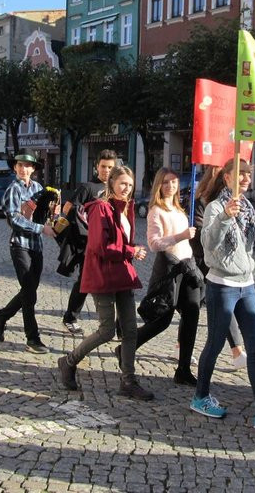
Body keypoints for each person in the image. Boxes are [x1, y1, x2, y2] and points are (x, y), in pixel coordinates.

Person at [190, 159, 255, 429]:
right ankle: (200, 396)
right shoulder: (215, 208)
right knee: (214, 344)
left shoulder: (247, 208)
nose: (246, 178)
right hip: (221, 285)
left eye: (249, 173)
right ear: (227, 177)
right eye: (241, 174)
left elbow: (250, 253)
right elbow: (208, 243)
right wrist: (225, 216)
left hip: (246, 287)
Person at [58, 165, 154, 400]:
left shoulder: (126, 208)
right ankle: (69, 361)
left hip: (122, 274)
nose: (126, 188)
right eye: (122, 183)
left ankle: (128, 381)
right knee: (107, 330)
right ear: (111, 183)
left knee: (130, 330)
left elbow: (121, 241)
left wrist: (131, 250)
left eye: (130, 185)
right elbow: (100, 246)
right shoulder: (100, 207)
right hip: (102, 274)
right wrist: (131, 251)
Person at [131, 167, 203, 386]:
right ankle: (127, 347)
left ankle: (183, 369)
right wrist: (180, 236)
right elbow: (154, 243)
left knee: (192, 315)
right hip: (169, 269)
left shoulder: (180, 210)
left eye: (174, 181)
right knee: (162, 320)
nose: (171, 186)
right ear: (159, 186)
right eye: (166, 182)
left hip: (187, 268)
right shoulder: (156, 211)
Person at [0, 150, 56, 354]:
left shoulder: (38, 188)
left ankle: (2, 316)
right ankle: (32, 338)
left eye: (27, 166)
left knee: (30, 290)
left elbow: (43, 215)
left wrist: (53, 213)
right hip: (20, 245)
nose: (23, 169)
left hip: (36, 246)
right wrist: (41, 228)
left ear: (33, 169)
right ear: (15, 167)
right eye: (19, 165)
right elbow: (14, 220)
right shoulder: (14, 189)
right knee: (29, 292)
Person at [192, 165, 248, 370]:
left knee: (223, 309)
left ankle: (238, 351)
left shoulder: (239, 204)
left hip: (227, 265)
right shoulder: (204, 203)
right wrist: (221, 221)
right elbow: (203, 236)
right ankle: (182, 347)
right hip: (202, 260)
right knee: (192, 306)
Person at [60, 149, 117, 334]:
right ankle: (70, 317)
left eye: (110, 167)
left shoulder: (116, 188)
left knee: (112, 281)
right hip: (90, 244)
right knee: (85, 280)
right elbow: (68, 208)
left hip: (110, 244)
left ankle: (115, 324)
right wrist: (85, 228)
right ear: (97, 166)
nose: (106, 170)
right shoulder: (88, 187)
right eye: (103, 166)